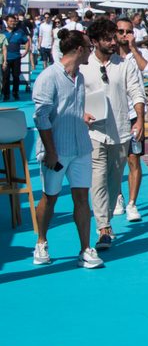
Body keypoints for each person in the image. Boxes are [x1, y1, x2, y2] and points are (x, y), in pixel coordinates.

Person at [31, 30, 104, 268]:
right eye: (89, 48)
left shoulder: (79, 78)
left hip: (81, 146)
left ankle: (85, 248)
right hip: (57, 149)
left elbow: (68, 106)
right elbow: (41, 117)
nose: (91, 52)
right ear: (79, 50)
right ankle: (41, 241)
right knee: (49, 197)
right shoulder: (48, 76)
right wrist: (51, 152)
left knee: (82, 198)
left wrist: (81, 115)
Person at [81, 19, 146, 250]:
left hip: (121, 131)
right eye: (107, 38)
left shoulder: (124, 64)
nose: (112, 41)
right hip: (94, 132)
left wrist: (139, 118)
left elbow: (137, 92)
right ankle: (103, 227)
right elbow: (74, 97)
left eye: (113, 37)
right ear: (95, 41)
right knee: (97, 178)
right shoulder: (84, 65)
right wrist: (81, 113)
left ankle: (105, 218)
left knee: (114, 179)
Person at [112, 17, 148, 222]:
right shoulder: (109, 56)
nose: (124, 35)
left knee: (134, 159)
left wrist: (133, 49)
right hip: (113, 115)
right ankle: (118, 196)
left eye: (128, 31)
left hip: (134, 115)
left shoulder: (140, 54)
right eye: (120, 31)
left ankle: (132, 203)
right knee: (114, 162)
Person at [3, 14, 31, 101]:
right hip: (5, 59)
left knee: (16, 76)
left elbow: (27, 41)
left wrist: (26, 51)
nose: (12, 23)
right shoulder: (2, 32)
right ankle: (6, 94)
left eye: (14, 21)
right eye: (10, 21)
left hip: (16, 58)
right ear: (7, 22)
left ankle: (15, 93)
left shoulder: (20, 32)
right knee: (5, 77)